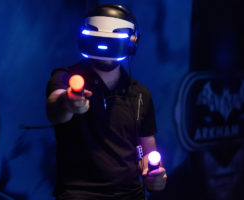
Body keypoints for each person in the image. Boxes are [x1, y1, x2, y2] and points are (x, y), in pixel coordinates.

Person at [46, 4, 167, 200]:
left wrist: (155, 175)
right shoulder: (65, 77)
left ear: (132, 42)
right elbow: (55, 108)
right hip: (78, 195)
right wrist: (68, 102)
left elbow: (148, 151)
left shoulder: (140, 93)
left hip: (131, 195)